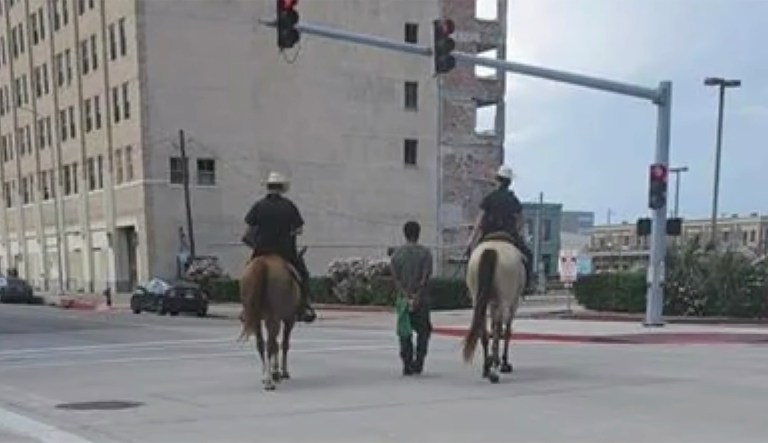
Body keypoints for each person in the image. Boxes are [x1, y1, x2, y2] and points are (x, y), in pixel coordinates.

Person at [243, 171, 316, 323]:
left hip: (261, 250)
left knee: (246, 275)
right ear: (282, 188)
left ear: (268, 187)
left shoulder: (258, 206)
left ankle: (245, 308)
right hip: (285, 251)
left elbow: (249, 229)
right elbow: (299, 229)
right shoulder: (289, 206)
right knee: (303, 275)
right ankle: (305, 306)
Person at [465, 165, 534, 290]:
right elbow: (520, 222)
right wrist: (519, 235)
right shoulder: (514, 200)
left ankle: (470, 287)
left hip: (488, 235)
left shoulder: (489, 198)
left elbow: (479, 221)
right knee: (529, 256)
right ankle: (527, 285)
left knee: (471, 256)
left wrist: (471, 240)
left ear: (497, 180)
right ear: (509, 183)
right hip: (508, 235)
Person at [390, 221, 433, 376]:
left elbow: (395, 279)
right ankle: (419, 361)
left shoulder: (396, 255)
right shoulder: (426, 253)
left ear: (405, 233)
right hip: (422, 300)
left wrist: (406, 295)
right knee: (423, 331)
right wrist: (417, 295)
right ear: (418, 233)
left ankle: (406, 363)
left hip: (403, 300)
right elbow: (425, 276)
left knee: (405, 332)